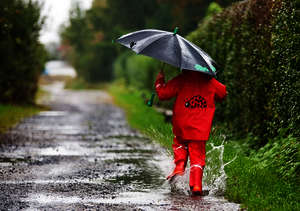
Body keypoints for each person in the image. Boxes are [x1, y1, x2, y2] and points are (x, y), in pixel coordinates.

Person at [155, 69, 227, 196]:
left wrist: (159, 81)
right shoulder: (210, 81)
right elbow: (222, 93)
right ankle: (197, 185)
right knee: (197, 157)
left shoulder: (181, 79)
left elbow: (163, 94)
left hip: (182, 123)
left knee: (180, 143)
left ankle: (179, 165)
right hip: (200, 128)